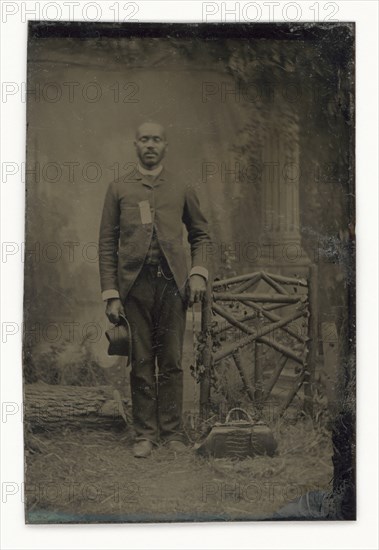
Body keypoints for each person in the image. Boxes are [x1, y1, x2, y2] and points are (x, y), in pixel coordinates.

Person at [99, 122, 212, 457]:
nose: (150, 145)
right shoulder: (119, 188)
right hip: (134, 288)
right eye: (144, 139)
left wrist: (197, 274)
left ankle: (173, 433)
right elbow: (107, 243)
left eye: (157, 139)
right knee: (142, 360)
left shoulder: (180, 186)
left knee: (173, 360)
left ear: (166, 146)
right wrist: (111, 293)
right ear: (135, 144)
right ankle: (145, 433)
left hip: (172, 286)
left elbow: (201, 234)